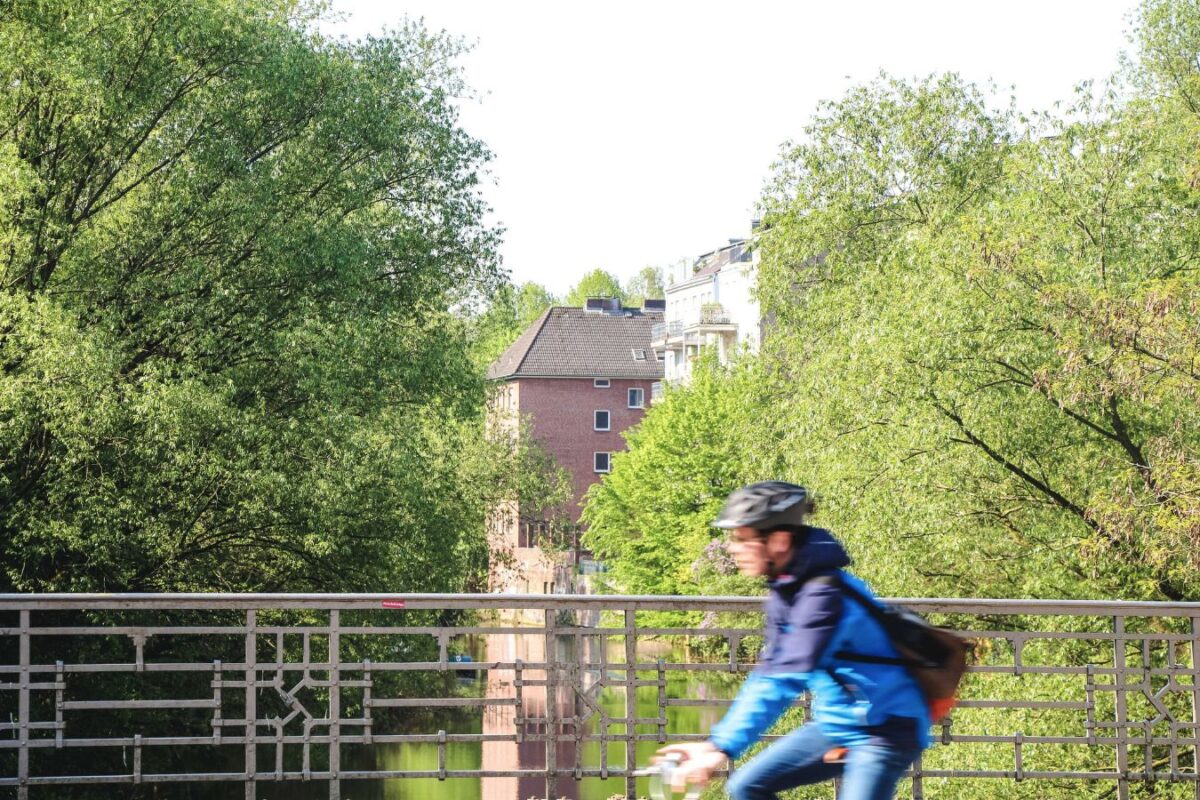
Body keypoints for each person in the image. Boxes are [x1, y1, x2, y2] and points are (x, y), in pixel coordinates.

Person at [654, 481, 929, 800]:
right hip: (839, 723)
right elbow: (766, 673)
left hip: (886, 729)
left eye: (742, 539)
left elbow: (784, 677)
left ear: (780, 540)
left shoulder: (822, 596)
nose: (732, 548)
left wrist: (722, 746)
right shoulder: (786, 591)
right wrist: (713, 744)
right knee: (746, 787)